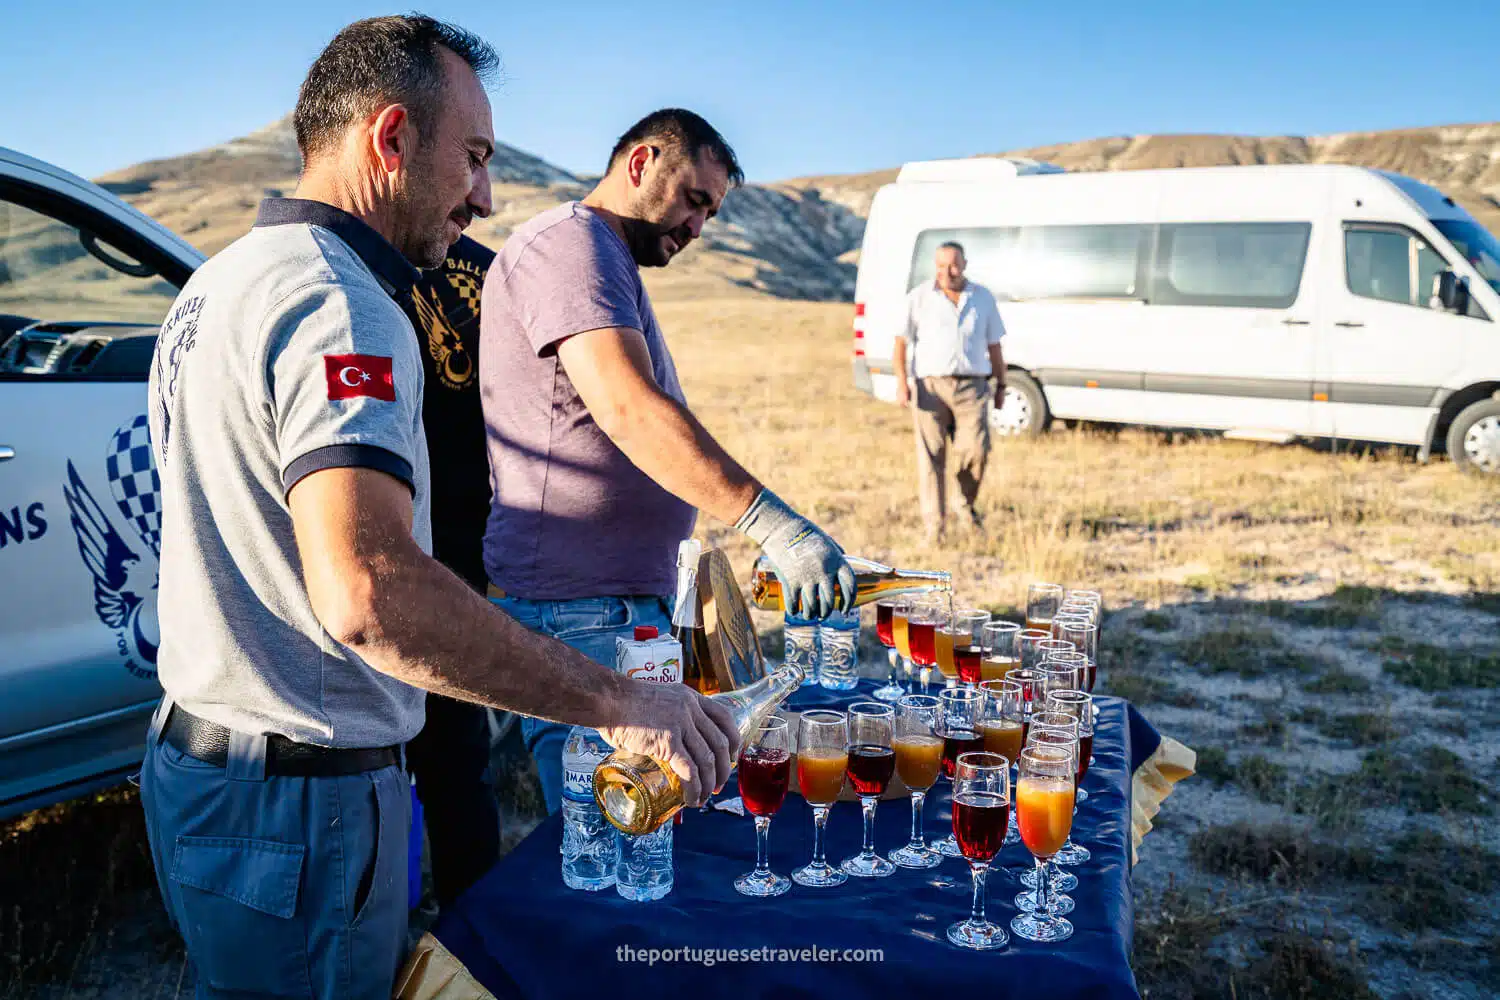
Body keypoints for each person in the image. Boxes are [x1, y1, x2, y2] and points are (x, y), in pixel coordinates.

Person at [140, 18, 737, 1000]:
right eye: (472, 158)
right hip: (300, 799)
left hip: (208, 766)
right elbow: (371, 591)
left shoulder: (217, 282)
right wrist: (622, 700)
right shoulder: (341, 303)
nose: (487, 195)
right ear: (389, 141)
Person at [480, 108, 855, 812]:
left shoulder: (605, 259)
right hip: (577, 616)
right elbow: (630, 410)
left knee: (649, 837)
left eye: (710, 213)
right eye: (693, 200)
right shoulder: (570, 245)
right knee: (613, 844)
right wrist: (777, 525)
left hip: (613, 611)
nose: (697, 228)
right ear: (642, 161)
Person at [402, 233, 502, 910]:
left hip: (439, 538)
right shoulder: (486, 267)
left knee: (448, 756)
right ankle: (470, 927)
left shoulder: (481, 269)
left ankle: (459, 925)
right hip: (451, 540)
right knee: (455, 759)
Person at [893, 241, 1006, 542]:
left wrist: (1001, 384)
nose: (948, 272)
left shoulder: (982, 298)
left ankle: (965, 505)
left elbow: (995, 345)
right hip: (930, 385)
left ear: (965, 264)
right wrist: (902, 381)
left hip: (973, 386)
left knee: (977, 451)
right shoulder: (918, 298)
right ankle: (935, 527)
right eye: (941, 266)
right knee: (931, 457)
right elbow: (901, 343)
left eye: (954, 265)